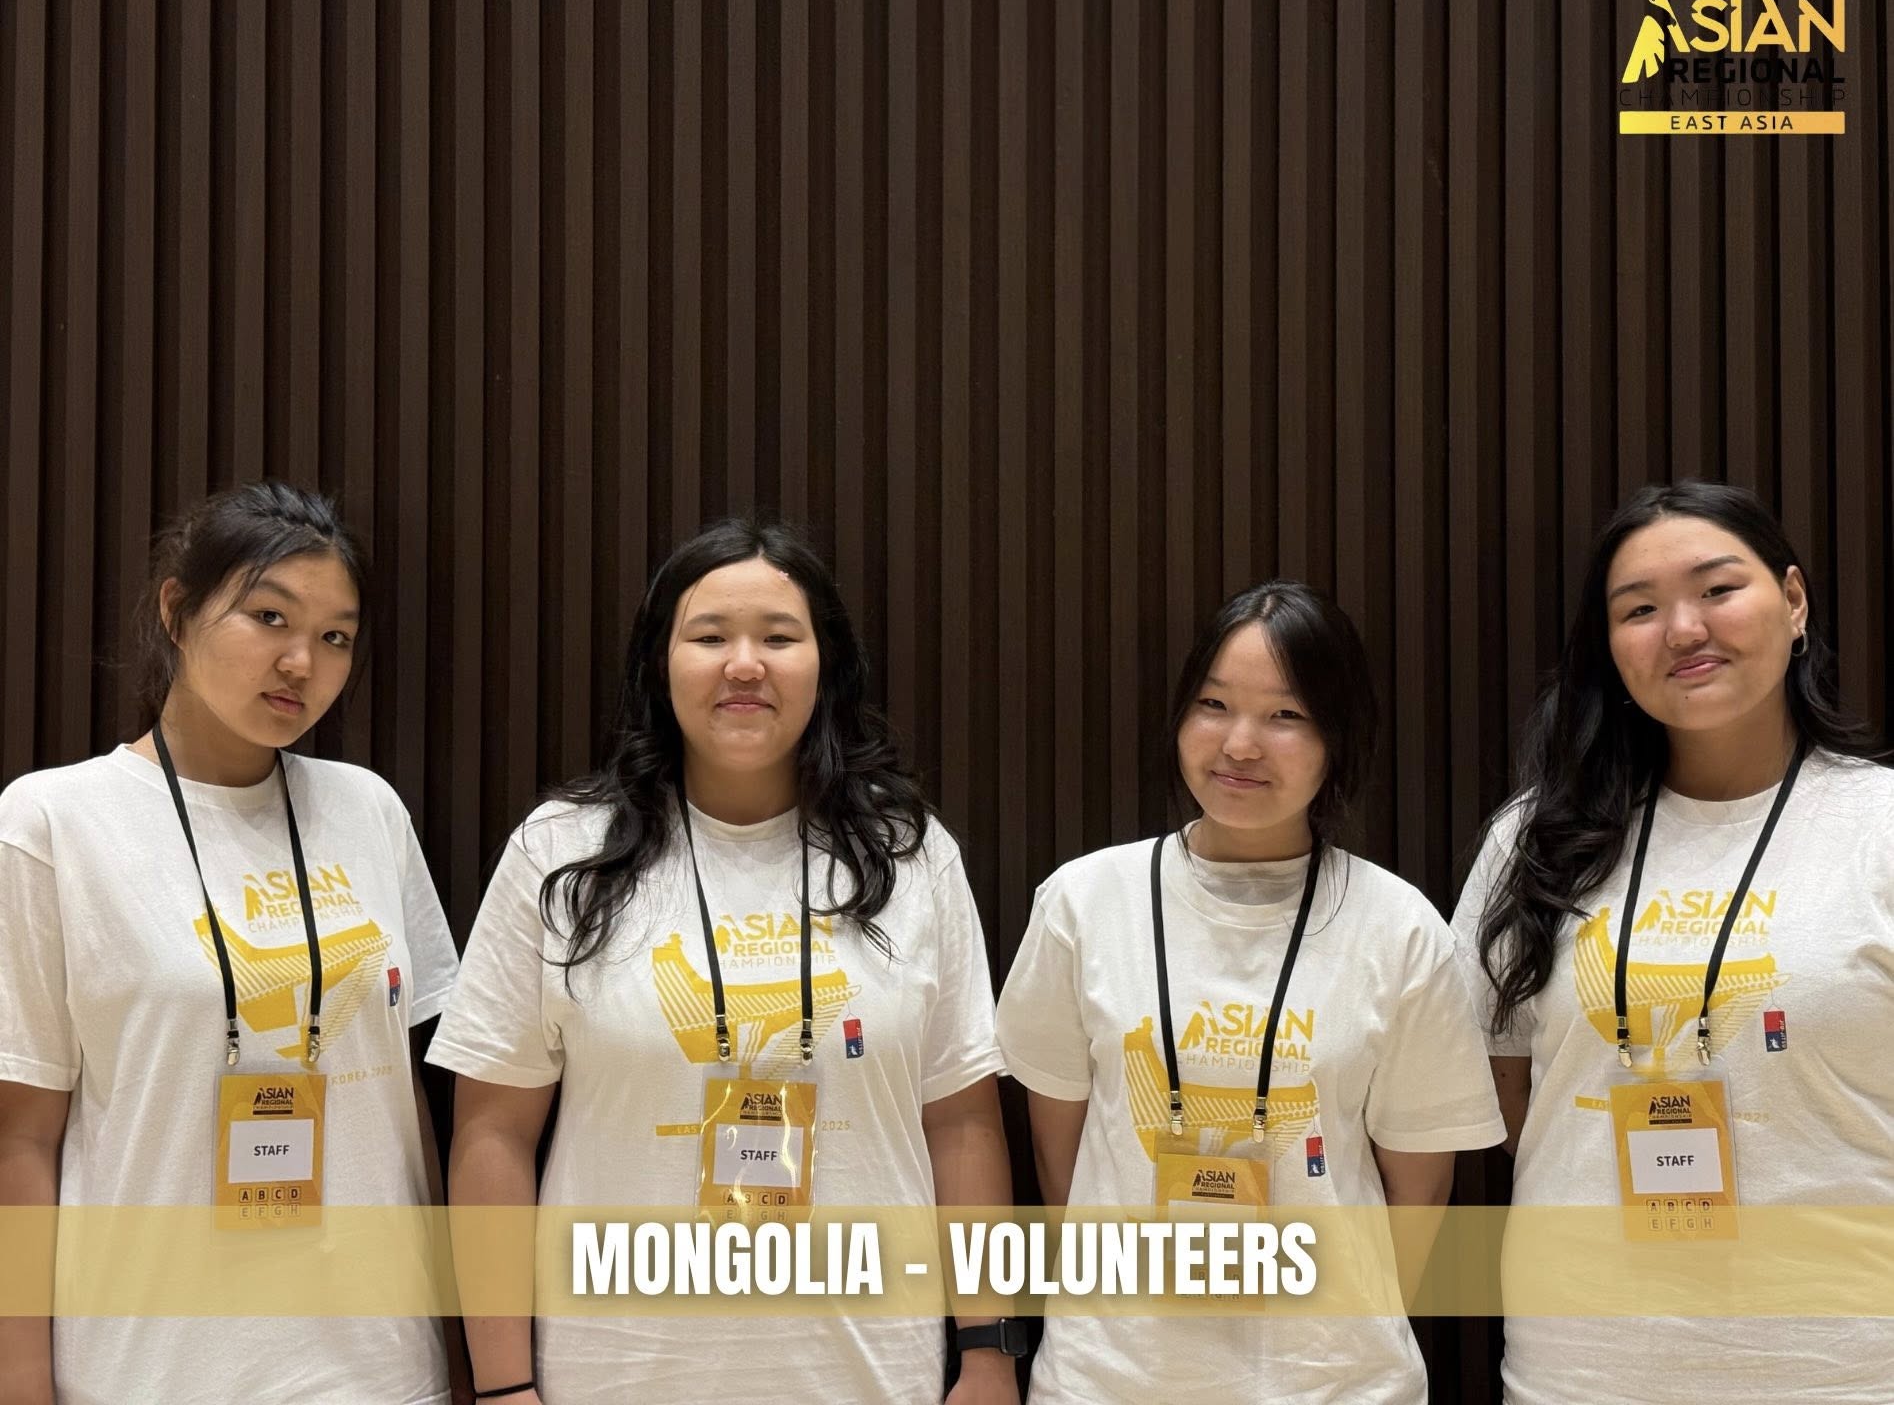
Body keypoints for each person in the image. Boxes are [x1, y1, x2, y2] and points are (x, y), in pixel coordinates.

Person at [429, 519, 1015, 1405]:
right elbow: (493, 1133)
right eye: (709, 638)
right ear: (660, 664)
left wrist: (988, 1355)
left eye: (779, 637)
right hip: (613, 1375)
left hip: (868, 1374)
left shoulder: (908, 854)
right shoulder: (561, 852)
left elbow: (963, 1123)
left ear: (825, 664)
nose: (745, 665)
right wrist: (505, 1385)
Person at [0, 480, 461, 1405]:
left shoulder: (368, 811)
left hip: (380, 1367)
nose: (301, 662)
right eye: (269, 617)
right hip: (150, 1368)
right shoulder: (53, 821)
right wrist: (20, 1381)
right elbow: (22, 1138)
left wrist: (455, 1348)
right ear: (177, 611)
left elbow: (403, 1095)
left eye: (336, 637)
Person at [997, 580, 1504, 1402]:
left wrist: (1337, 1335)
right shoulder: (1083, 904)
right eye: (1214, 704)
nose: (1239, 744)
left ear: (1338, 737)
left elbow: (1420, 1191)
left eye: (1285, 715)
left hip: (1335, 1384)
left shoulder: (1400, 926)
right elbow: (1059, 1153)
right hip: (1111, 1378)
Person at [1454, 479, 1894, 1403]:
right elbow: (1503, 1081)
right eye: (1640, 610)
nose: (1684, 630)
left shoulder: (1881, 826)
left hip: (1846, 1367)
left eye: (1718, 590)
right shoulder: (1536, 841)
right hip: (1584, 1369)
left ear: (1795, 601)